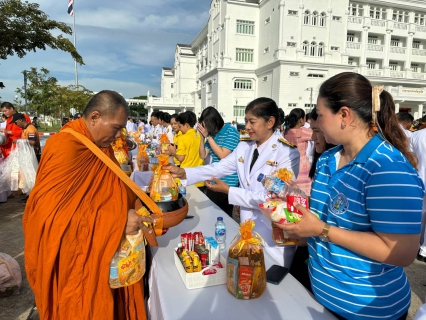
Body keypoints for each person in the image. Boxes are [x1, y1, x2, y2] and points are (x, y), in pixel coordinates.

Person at [277, 72, 424, 320]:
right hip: (321, 296)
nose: (317, 123)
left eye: (321, 115)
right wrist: (300, 223)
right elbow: (329, 219)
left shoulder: (386, 168)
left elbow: (401, 253)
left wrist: (321, 230)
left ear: (344, 115)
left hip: (366, 310)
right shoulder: (326, 160)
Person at [22, 90, 154, 320]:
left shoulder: (100, 147)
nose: (118, 135)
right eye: (115, 127)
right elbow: (47, 217)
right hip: (74, 261)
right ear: (94, 117)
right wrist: (118, 221)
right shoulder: (64, 146)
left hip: (103, 251)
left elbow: (110, 190)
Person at [165, 98, 300, 267]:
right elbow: (218, 168)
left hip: (272, 235)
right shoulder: (245, 147)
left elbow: (273, 199)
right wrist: (184, 172)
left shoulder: (287, 153)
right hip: (247, 227)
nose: (247, 127)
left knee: (272, 285)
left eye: (252, 122)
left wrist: (230, 191)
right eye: (246, 121)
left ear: (270, 122)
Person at [288, 107, 335, 293]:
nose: (311, 137)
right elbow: (317, 203)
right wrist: (291, 191)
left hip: (321, 251)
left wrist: (316, 232)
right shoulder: (324, 160)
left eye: (316, 130)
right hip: (312, 248)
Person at [197, 107, 240, 217]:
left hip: (227, 183)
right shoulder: (211, 135)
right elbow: (202, 155)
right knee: (211, 216)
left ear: (216, 121)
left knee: (225, 217)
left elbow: (222, 155)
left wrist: (208, 137)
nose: (207, 129)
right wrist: (202, 138)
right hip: (213, 180)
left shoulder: (231, 131)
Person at [166, 111, 205, 189]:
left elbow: (181, 158)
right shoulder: (200, 135)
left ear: (186, 125)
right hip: (200, 178)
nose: (179, 129)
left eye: (180, 126)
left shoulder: (182, 138)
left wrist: (173, 152)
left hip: (186, 176)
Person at [283, 108, 313, 196]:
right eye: (304, 118)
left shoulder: (286, 131)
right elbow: (314, 135)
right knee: (304, 193)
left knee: (292, 191)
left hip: (289, 162)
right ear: (301, 120)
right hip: (302, 164)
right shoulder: (302, 131)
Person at [411, 129, 426, 262]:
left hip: (419, 179)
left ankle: (415, 244)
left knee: (419, 213)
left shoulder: (416, 135)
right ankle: (424, 248)